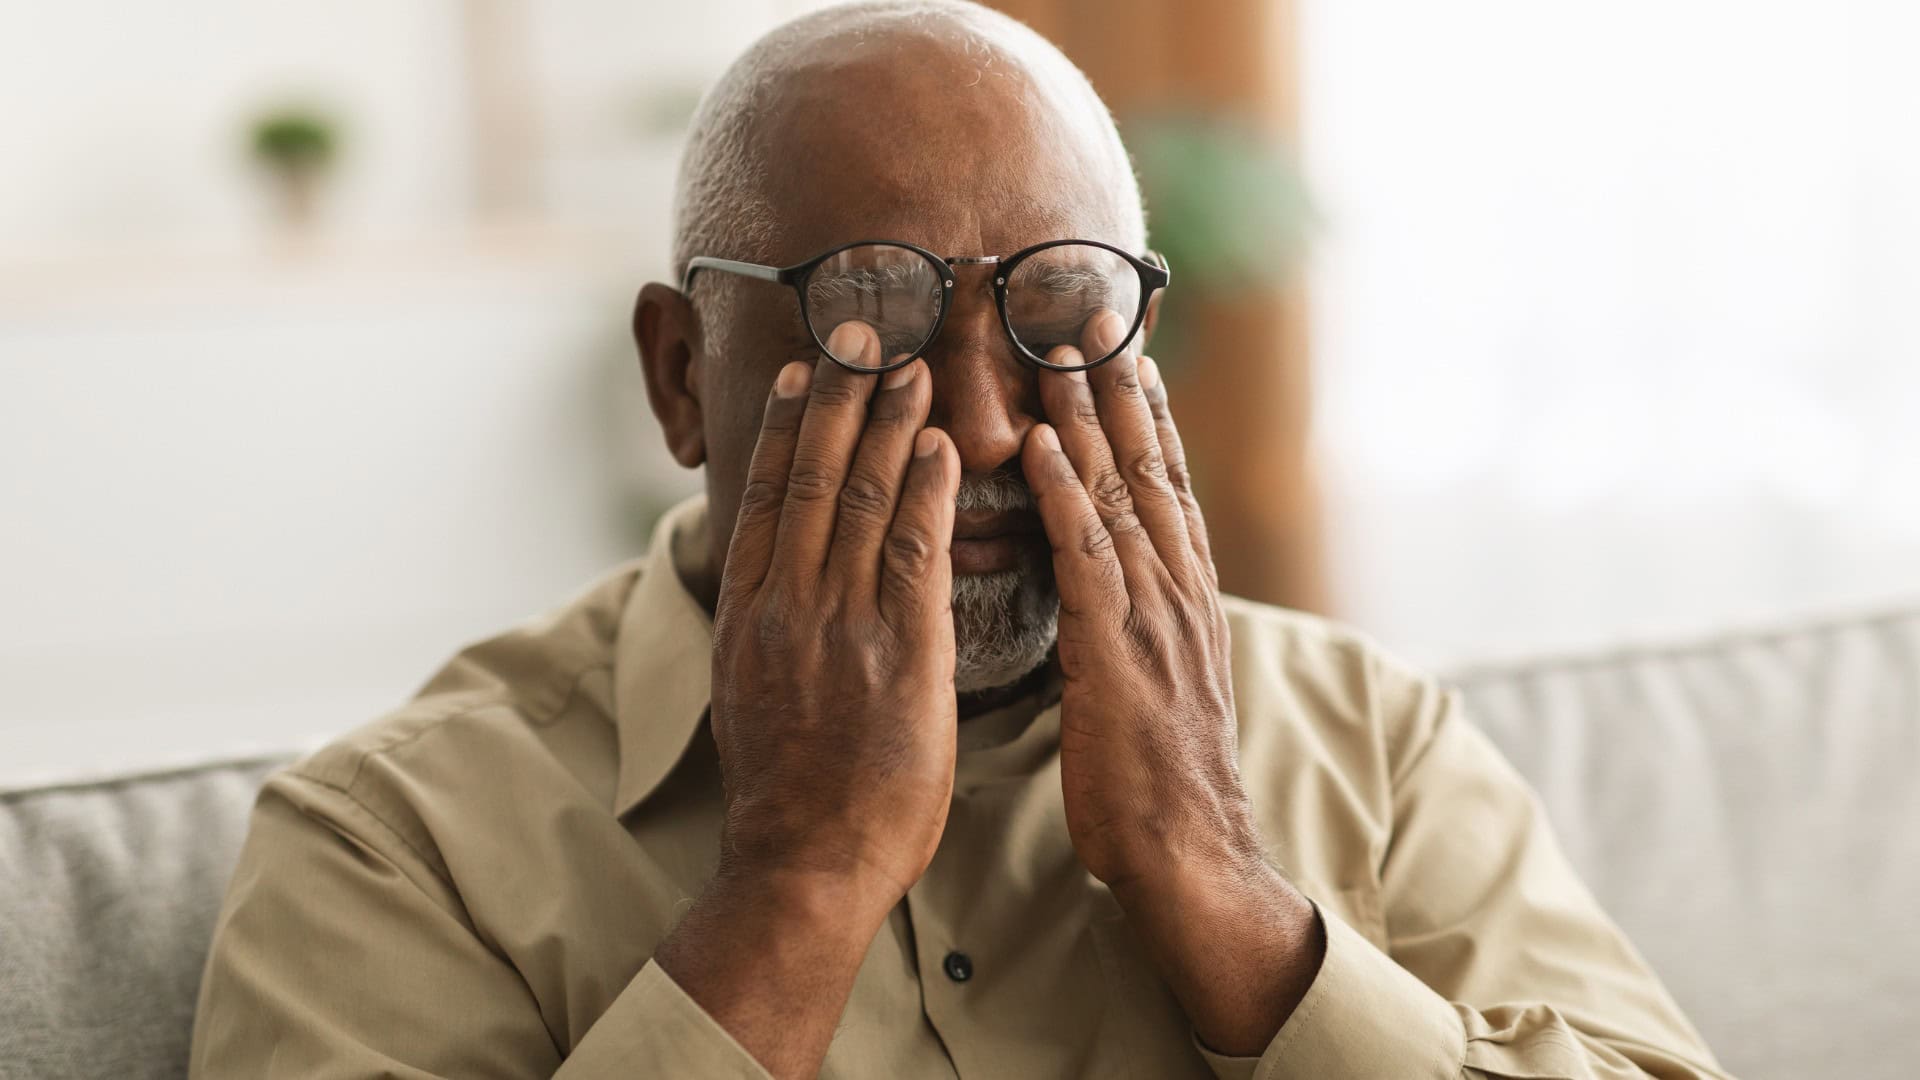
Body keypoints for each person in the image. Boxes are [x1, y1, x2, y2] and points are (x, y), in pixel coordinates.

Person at [189, 2, 1727, 1077]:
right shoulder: (396, 840)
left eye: (1060, 318)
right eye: (872, 321)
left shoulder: (1369, 738)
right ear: (679, 376)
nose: (992, 425)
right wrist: (800, 878)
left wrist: (1217, 882)